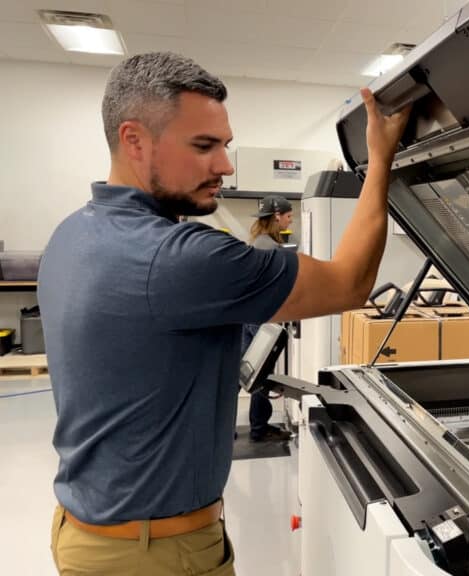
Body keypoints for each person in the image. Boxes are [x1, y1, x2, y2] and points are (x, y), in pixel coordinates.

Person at [38, 52, 409, 575]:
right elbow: (350, 283)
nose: (226, 165)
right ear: (134, 140)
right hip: (155, 554)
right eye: (204, 146)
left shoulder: (72, 233)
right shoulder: (181, 258)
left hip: (86, 532)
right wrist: (380, 161)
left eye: (225, 145)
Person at [241, 195, 295, 443]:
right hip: (260, 319)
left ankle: (227, 429)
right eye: (288, 215)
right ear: (276, 216)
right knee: (261, 376)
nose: (290, 219)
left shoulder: (257, 242)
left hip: (248, 316)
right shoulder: (271, 249)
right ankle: (259, 429)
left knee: (243, 373)